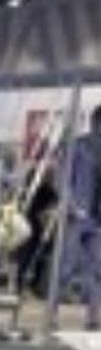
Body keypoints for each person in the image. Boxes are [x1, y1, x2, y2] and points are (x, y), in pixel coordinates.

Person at [54, 104, 101, 324]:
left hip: (97, 217)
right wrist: (71, 205)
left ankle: (93, 316)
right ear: (94, 123)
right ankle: (52, 312)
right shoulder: (77, 146)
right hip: (77, 215)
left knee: (96, 268)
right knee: (66, 266)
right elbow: (61, 179)